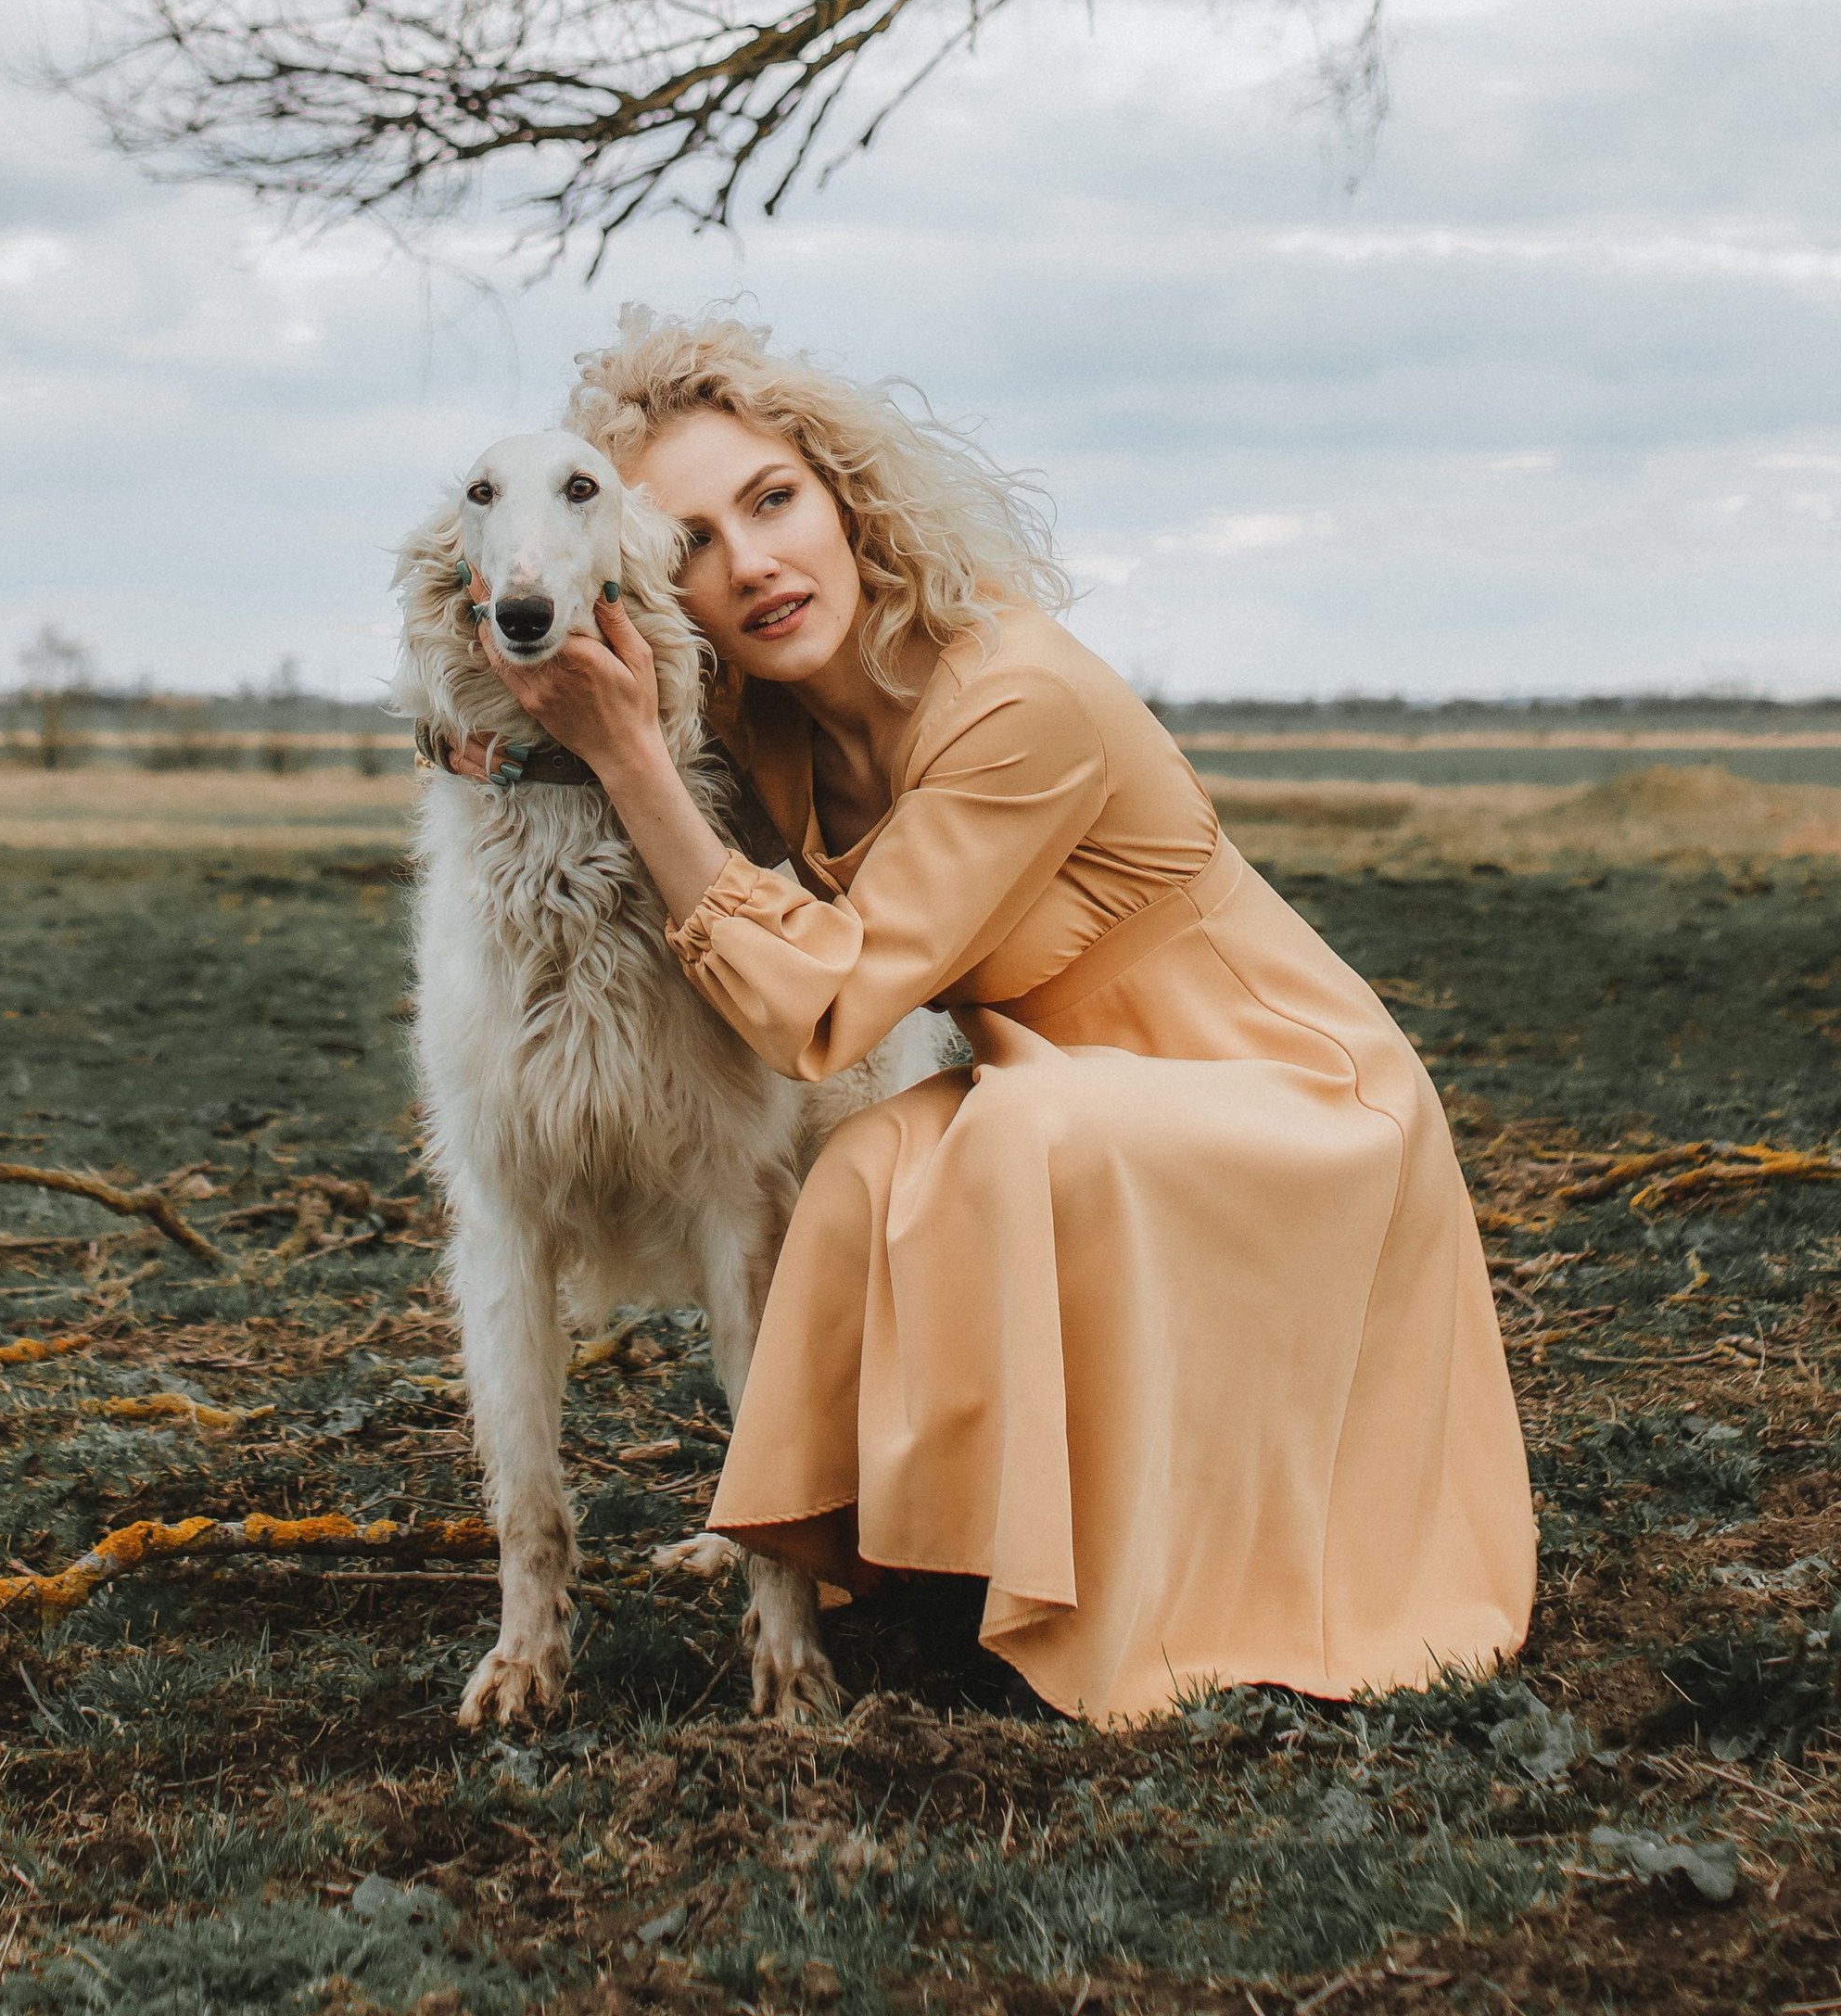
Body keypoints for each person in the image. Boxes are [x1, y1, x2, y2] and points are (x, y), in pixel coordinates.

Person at [458, 308, 1533, 1724]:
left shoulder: (1019, 696)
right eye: (698, 541)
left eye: (774, 501)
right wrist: (492, 734)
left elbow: (827, 1008)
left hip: (1290, 1094)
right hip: (1079, 1081)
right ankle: (844, 1536)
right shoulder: (781, 726)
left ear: (847, 499)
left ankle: (1150, 1590)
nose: (755, 563)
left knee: (1009, 1128)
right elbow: (566, 752)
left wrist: (632, 757)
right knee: (865, 1168)